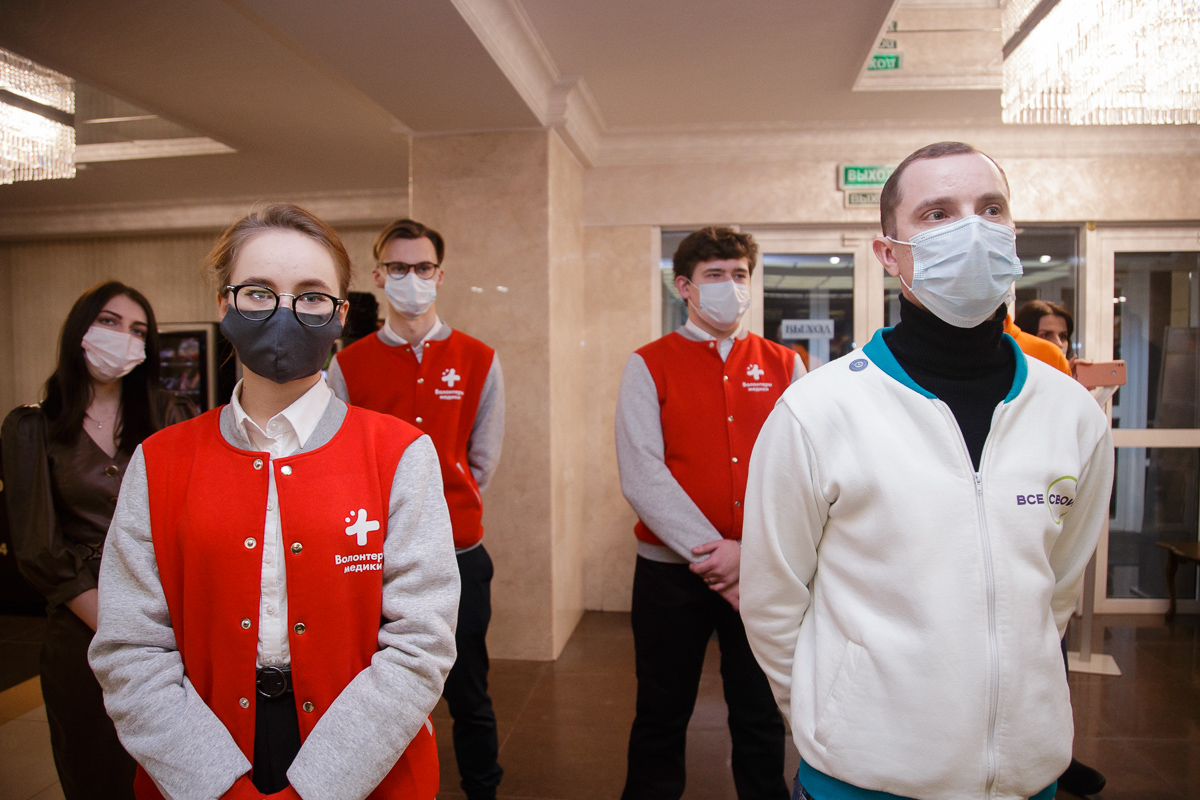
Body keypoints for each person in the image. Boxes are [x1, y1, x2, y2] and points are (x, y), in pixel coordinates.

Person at [740, 143, 1114, 800]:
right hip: (861, 780)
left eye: (990, 209)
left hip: (1027, 776)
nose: (972, 229)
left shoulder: (1072, 414)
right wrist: (832, 722)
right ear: (889, 254)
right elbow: (773, 599)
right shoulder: (818, 411)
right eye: (937, 214)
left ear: (1013, 233)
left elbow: (1054, 591)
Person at [87, 204, 460, 800]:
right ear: (224, 305)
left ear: (340, 315)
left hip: (363, 760)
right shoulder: (159, 460)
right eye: (259, 292)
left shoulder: (399, 453)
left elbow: (421, 644)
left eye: (311, 295)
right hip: (201, 751)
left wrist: (317, 787)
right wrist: (216, 785)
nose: (285, 312)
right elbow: (130, 647)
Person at [615, 226, 804, 800]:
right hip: (669, 575)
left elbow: (798, 470)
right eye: (714, 275)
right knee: (661, 710)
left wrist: (748, 554)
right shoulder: (648, 364)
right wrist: (715, 553)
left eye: (739, 274)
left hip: (760, 571)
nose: (730, 285)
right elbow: (642, 473)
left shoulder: (785, 365)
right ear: (685, 287)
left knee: (760, 713)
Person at [327, 218, 505, 800]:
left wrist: (438, 514)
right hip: (374, 560)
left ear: (440, 275)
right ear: (379, 276)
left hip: (459, 554)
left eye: (423, 267)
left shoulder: (478, 358)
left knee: (470, 691)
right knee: (381, 690)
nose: (412, 277)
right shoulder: (349, 365)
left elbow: (482, 459)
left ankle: (483, 789)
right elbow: (340, 462)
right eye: (399, 268)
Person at [1, 281, 196, 800]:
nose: (123, 337)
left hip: (171, 618)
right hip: (81, 626)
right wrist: (117, 624)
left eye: (138, 330)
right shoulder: (32, 427)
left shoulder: (171, 415)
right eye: (109, 322)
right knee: (95, 769)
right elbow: (37, 547)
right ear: (80, 330)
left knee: (177, 770)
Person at [1010, 297, 1106, 797]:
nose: (1056, 343)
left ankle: (1054, 755)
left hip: (1035, 517)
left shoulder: (1048, 366)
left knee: (1047, 642)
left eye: (1062, 335)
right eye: (1048, 332)